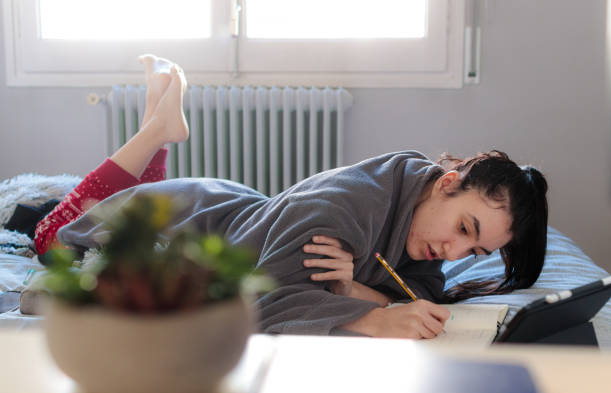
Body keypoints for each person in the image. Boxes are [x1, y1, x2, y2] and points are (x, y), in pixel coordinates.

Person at [34, 55, 549, 339]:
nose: (454, 254)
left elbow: (421, 295)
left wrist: (353, 293)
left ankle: (157, 123)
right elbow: (258, 303)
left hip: (233, 208)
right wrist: (372, 317)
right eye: (464, 229)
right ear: (447, 182)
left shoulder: (416, 221)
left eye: (474, 253)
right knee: (51, 235)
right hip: (176, 220)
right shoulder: (343, 208)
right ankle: (155, 130)